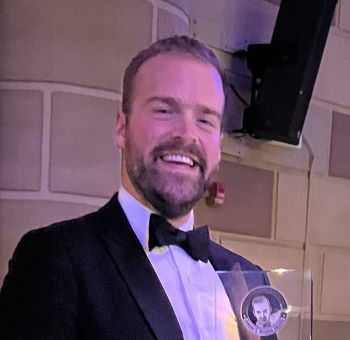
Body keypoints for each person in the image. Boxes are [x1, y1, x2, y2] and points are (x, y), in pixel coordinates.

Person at [0, 35, 269, 339]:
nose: (186, 134)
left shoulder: (248, 277)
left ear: (218, 148)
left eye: (205, 120)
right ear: (121, 129)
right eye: (164, 110)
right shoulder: (56, 258)